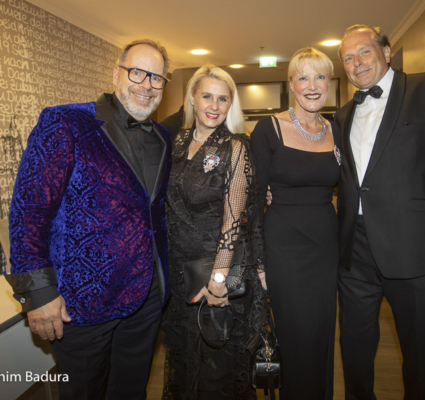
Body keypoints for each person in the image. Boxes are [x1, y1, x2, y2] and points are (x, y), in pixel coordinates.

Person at [5, 39, 173, 400]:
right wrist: (39, 292)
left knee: (131, 392)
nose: (147, 85)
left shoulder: (163, 138)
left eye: (156, 78)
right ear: (116, 74)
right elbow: (29, 211)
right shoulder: (65, 122)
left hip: (146, 299)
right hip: (80, 303)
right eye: (137, 73)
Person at [335, 24, 425, 400]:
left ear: (386, 51)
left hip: (415, 248)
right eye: (348, 58)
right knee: (354, 351)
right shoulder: (343, 113)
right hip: (355, 253)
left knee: (419, 355)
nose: (356, 62)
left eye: (364, 52)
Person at [161, 64, 267, 400]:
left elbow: (233, 219)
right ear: (192, 97)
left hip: (215, 270)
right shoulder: (176, 141)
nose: (214, 105)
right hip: (178, 272)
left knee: (215, 370)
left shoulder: (234, 146)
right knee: (184, 362)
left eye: (223, 99)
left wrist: (218, 279)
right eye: (207, 96)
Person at [251, 47, 340, 400]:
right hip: (284, 246)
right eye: (303, 77)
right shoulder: (269, 128)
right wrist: (258, 261)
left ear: (330, 83)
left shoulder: (337, 129)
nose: (312, 86)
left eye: (320, 77)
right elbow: (253, 200)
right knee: (294, 334)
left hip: (326, 247)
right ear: (291, 84)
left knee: (321, 332)